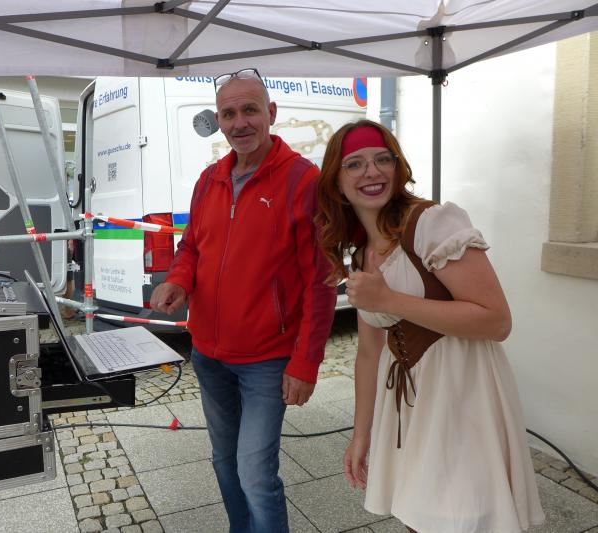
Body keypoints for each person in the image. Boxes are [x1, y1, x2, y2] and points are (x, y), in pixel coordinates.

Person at [315, 119, 544, 533]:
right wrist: (361, 434)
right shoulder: (362, 253)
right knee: (421, 519)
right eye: (355, 164)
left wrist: (389, 300)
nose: (372, 171)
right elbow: (368, 354)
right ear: (336, 183)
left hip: (462, 393)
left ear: (397, 166)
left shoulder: (432, 223)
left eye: (382, 159)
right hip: (410, 404)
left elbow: (497, 320)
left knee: (461, 518)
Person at [150, 68, 336, 533]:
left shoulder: (302, 180)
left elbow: (321, 282)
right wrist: (178, 282)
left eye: (250, 110)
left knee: (255, 472)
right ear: (219, 120)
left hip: (267, 361)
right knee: (224, 460)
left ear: (271, 112)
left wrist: (305, 363)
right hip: (208, 354)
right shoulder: (209, 179)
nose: (240, 123)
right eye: (229, 114)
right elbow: (192, 247)